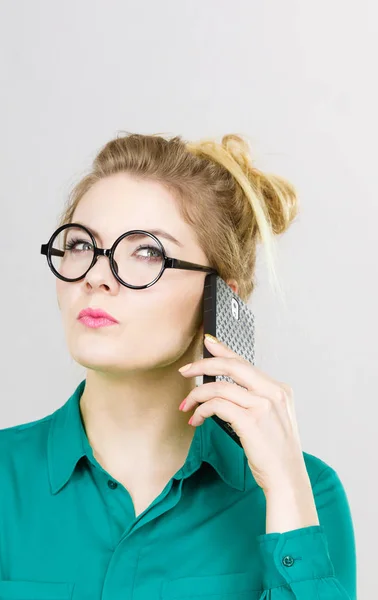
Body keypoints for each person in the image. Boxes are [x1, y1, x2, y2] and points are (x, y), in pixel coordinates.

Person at [0, 132, 357, 599]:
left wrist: (287, 492)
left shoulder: (306, 493)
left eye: (147, 251)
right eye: (82, 245)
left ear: (220, 296)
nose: (96, 277)